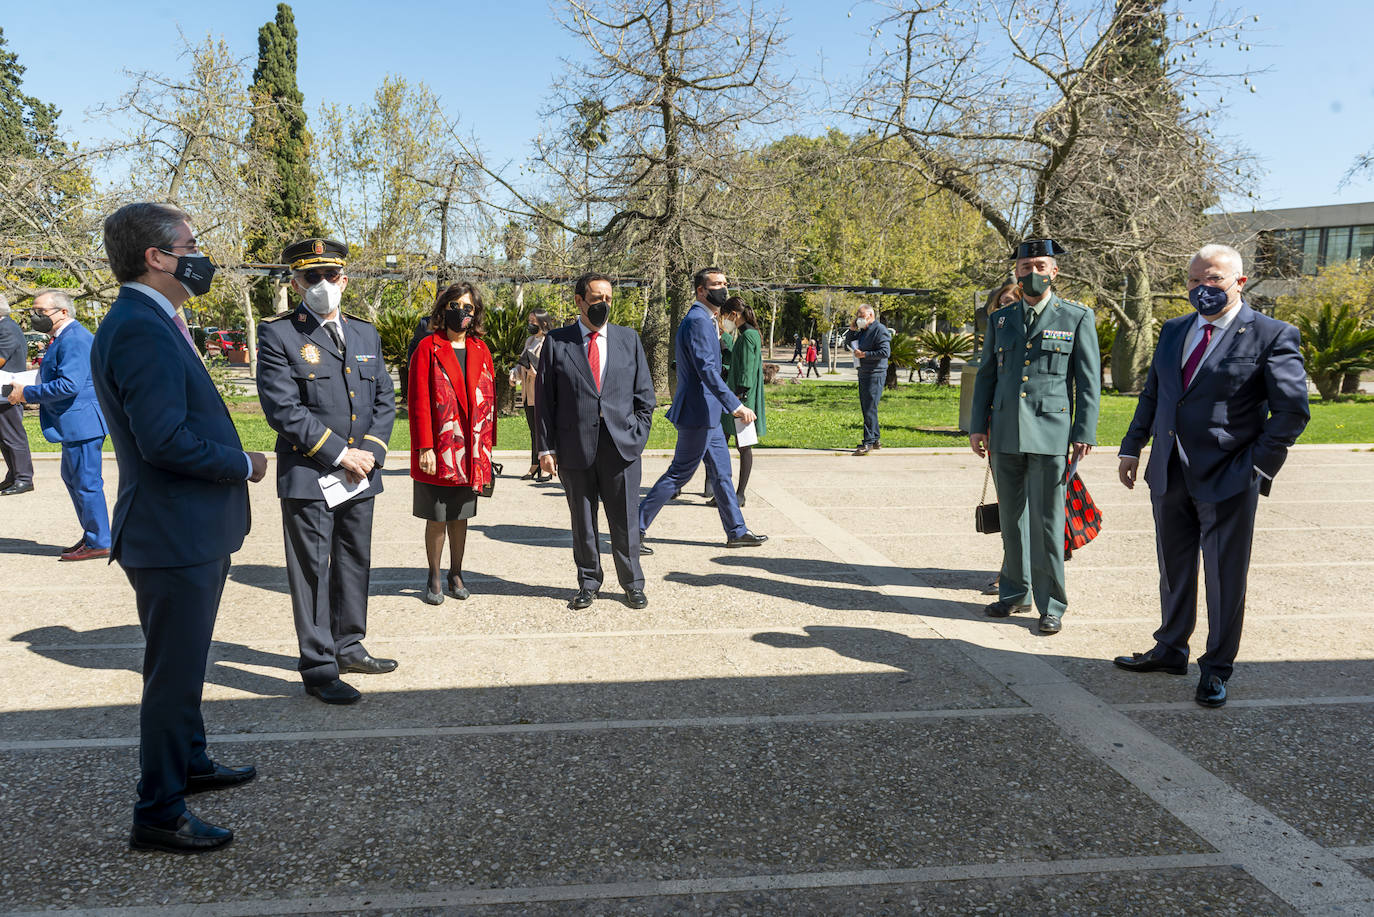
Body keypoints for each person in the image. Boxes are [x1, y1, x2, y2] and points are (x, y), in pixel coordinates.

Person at [90, 202, 269, 854]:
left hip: (188, 530)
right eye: (189, 243)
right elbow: (163, 440)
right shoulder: (138, 326)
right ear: (157, 257)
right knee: (172, 677)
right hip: (173, 533)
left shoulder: (153, 318)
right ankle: (158, 811)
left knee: (188, 665)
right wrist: (242, 462)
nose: (200, 253)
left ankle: (190, 762)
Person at [1114, 244, 1309, 708]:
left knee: (1224, 576)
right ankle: (1170, 649)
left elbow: (1291, 411)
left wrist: (1258, 467)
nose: (1203, 288)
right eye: (1195, 280)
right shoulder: (1174, 330)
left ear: (1239, 282)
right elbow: (1156, 394)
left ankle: (1217, 667)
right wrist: (1132, 445)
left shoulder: (1272, 334)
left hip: (1229, 475)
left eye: (1214, 279)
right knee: (1174, 568)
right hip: (1169, 470)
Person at [256, 238, 398, 706]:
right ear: (295, 282)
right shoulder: (278, 335)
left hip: (361, 475)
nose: (322, 285)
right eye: (311, 277)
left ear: (345, 279)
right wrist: (341, 455)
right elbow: (283, 410)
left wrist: (371, 454)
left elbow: (383, 400)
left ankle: (349, 645)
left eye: (330, 276)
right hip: (312, 473)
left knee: (355, 561)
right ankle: (318, 666)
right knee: (313, 570)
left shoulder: (365, 334)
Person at [969, 239, 1100, 636]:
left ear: (1054, 271)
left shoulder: (1076, 317)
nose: (1032, 273)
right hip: (1006, 433)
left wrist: (1084, 431)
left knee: (1046, 521)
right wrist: (978, 426)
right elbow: (987, 375)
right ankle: (1013, 593)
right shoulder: (1001, 320)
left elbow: (1087, 382)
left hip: (1050, 433)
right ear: (1016, 272)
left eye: (1040, 265)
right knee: (1011, 519)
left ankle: (1051, 603)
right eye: (1025, 267)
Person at [537, 273, 655, 609]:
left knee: (625, 520)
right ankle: (589, 582)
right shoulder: (558, 341)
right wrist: (545, 447)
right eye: (596, 298)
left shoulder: (627, 339)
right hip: (575, 447)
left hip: (621, 446)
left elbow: (645, 396)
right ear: (579, 301)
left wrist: (638, 435)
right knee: (583, 521)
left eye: (608, 298)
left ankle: (632, 583)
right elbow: (546, 400)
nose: (603, 304)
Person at [639, 267, 767, 549]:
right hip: (698, 412)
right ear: (701, 290)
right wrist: (736, 405)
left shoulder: (707, 320)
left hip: (708, 413)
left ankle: (736, 530)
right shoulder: (697, 320)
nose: (723, 289)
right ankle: (634, 528)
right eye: (717, 284)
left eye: (725, 283)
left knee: (722, 474)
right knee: (679, 474)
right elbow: (707, 371)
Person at [408, 281, 497, 605]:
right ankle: (433, 575)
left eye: (468, 308)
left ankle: (455, 572)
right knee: (438, 517)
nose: (462, 312)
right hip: (439, 450)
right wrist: (424, 448)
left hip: (471, 452)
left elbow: (489, 401)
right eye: (455, 305)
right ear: (443, 308)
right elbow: (417, 402)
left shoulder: (480, 349)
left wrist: (488, 446)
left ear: (475, 315)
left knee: (462, 516)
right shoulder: (427, 348)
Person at [7, 289, 110, 559]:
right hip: (75, 423)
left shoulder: (75, 339)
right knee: (75, 479)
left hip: (82, 422)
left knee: (86, 482)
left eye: (41, 312)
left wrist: (26, 393)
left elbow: (69, 385)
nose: (35, 317)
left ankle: (99, 541)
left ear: (63, 312)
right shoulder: (62, 337)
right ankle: (92, 535)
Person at [978, 282, 1023, 596]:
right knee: (1008, 505)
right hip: (999, 429)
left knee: (1029, 506)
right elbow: (985, 379)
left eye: (1009, 302)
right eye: (999, 304)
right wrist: (978, 426)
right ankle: (1010, 568)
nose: (1003, 308)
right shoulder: (994, 336)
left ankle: (1014, 571)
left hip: (1038, 433)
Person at [717, 297, 766, 507]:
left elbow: (746, 370)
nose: (724, 320)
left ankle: (740, 494)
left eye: (725, 316)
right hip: (738, 397)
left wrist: (739, 398)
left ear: (733, 315)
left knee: (743, 446)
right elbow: (738, 362)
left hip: (740, 399)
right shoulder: (748, 334)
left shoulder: (747, 336)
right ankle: (724, 492)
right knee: (723, 442)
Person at [846, 304, 893, 455]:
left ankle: (868, 442)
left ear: (871, 316)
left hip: (875, 373)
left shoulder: (880, 330)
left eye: (861, 317)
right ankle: (876, 439)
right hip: (864, 372)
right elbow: (848, 343)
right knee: (868, 407)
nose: (859, 319)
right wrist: (852, 331)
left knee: (869, 407)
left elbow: (885, 352)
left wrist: (865, 354)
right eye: (858, 316)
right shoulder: (863, 330)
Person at [0, 295, 35, 496]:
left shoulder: (6, 328)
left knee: (13, 436)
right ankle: (14, 475)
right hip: (3, 391)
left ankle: (24, 478)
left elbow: (1, 360)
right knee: (4, 438)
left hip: (8, 391)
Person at [514, 308, 553, 482]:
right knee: (533, 431)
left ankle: (546, 467)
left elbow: (548, 370)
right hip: (528, 393)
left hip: (541, 392)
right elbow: (522, 363)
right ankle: (535, 464)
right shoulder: (529, 340)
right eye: (529, 320)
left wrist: (533, 372)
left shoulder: (548, 341)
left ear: (543, 323)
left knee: (543, 431)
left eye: (533, 321)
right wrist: (515, 374)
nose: (530, 324)